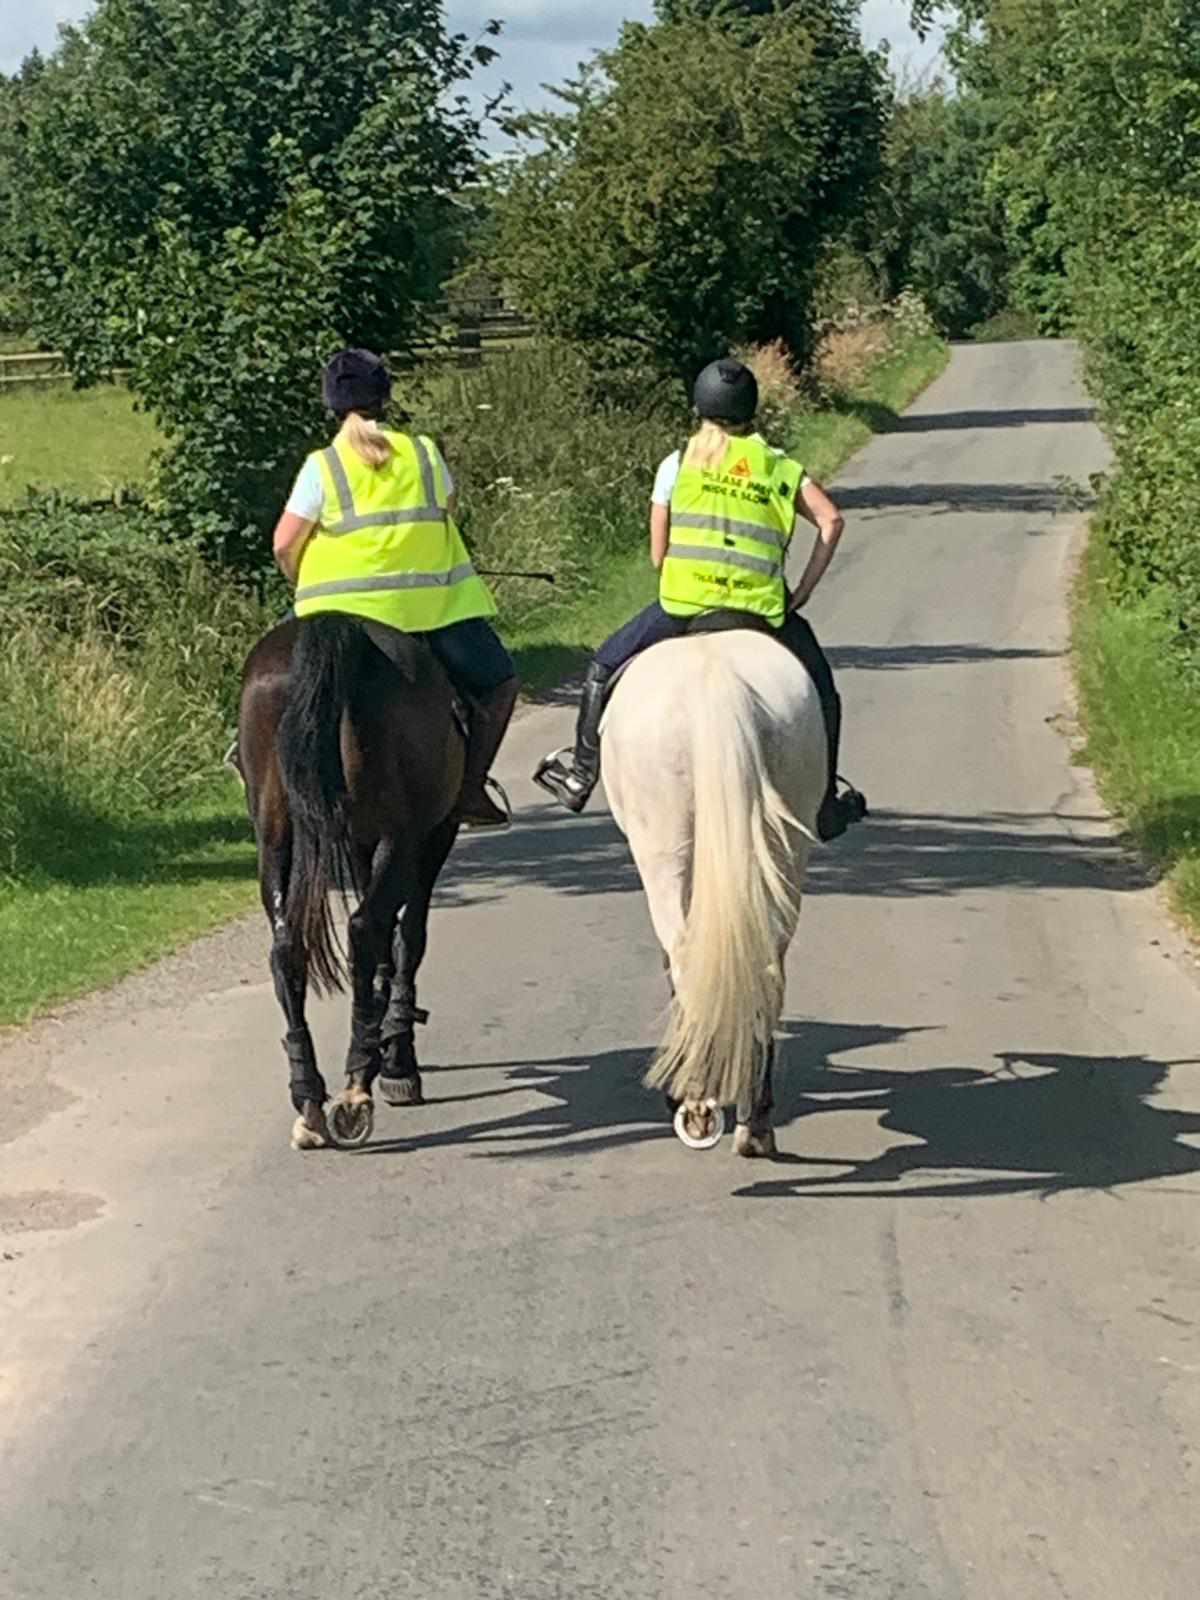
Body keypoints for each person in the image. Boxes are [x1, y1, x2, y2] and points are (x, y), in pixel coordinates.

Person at [533, 357, 865, 841]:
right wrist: (803, 591)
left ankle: (581, 774)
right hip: (759, 613)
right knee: (823, 690)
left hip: (683, 607)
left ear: (699, 409)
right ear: (752, 411)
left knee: (602, 666)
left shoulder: (678, 463)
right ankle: (825, 805)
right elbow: (832, 520)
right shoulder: (779, 467)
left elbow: (656, 554)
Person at [272, 348, 518, 830]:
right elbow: (444, 510)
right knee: (499, 683)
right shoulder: (424, 453)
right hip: (428, 613)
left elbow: (284, 543)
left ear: (331, 404)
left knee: (270, 674)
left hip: (334, 612)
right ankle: (470, 788)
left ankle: (253, 764)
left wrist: (301, 580)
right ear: (386, 398)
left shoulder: (322, 466)